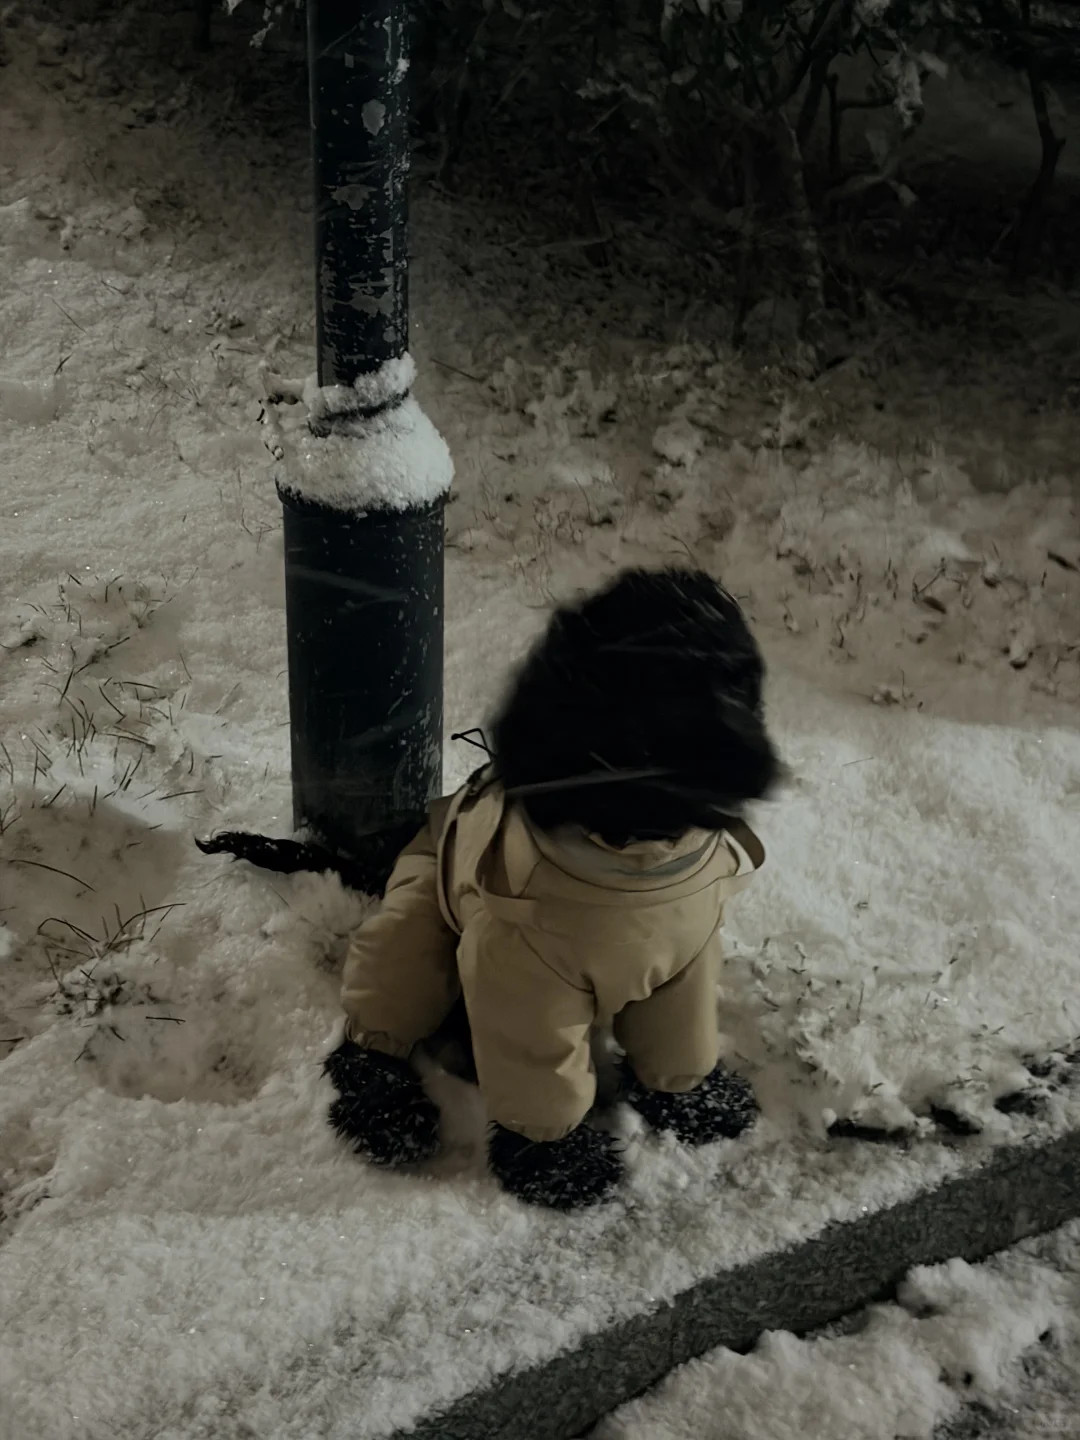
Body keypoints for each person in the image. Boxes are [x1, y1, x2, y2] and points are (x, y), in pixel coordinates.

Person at [324, 566, 780, 1210]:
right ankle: (375, 1060)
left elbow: (681, 962)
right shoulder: (529, 884)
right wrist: (546, 1136)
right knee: (409, 956)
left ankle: (674, 1081)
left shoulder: (697, 843)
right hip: (456, 893)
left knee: (680, 951)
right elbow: (521, 1009)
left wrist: (681, 1077)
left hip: (637, 868)